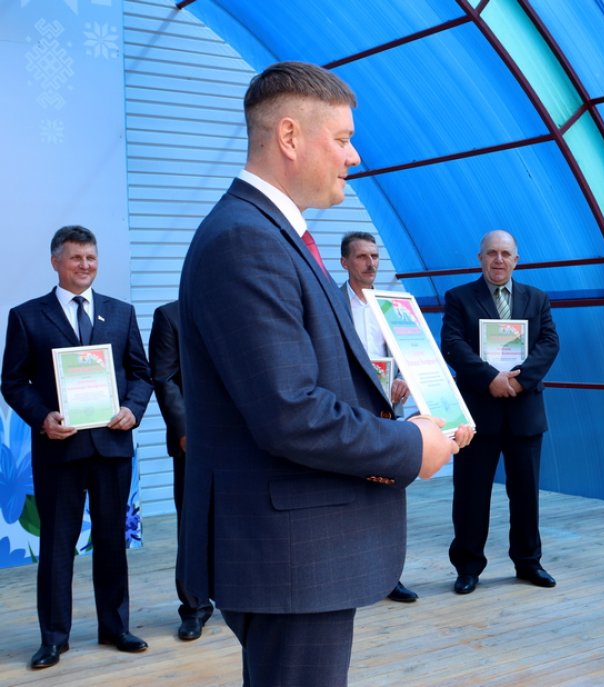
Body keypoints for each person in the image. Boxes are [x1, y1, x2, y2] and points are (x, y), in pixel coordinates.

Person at [176, 61, 471, 687]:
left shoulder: (266, 233)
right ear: (289, 136)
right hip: (289, 555)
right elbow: (290, 411)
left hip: (297, 550)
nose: (354, 155)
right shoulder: (246, 240)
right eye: (341, 139)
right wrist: (411, 444)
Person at [1, 225, 153, 669]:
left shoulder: (120, 313)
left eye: (91, 258)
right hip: (59, 449)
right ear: (56, 262)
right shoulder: (27, 316)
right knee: (56, 544)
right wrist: (42, 418)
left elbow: (141, 374)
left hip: (111, 446)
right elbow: (13, 381)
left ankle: (116, 627)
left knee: (111, 542)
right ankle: (53, 638)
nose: (85, 265)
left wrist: (133, 409)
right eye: (76, 258)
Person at [440, 230, 560, 595]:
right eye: (491, 253)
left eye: (505, 254)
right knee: (471, 494)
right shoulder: (459, 298)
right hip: (479, 414)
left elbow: (549, 342)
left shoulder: (537, 298)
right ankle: (468, 567)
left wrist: (519, 381)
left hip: (525, 412)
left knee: (526, 494)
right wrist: (490, 378)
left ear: (516, 260)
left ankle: (528, 562)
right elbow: (453, 344)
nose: (498, 260)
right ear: (480, 258)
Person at [339, 231, 418, 603]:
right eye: (361, 257)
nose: (370, 263)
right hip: (348, 414)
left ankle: (389, 577)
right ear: (345, 262)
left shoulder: (392, 305)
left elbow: (411, 351)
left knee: (388, 493)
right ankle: (349, 575)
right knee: (348, 494)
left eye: (374, 256)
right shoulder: (330, 304)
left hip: (387, 413)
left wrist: (405, 377)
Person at [149, 299, 215, 639]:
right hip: (194, 440)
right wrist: (184, 430)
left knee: (242, 521)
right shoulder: (170, 315)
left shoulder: (239, 307)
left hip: (243, 438)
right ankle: (194, 607)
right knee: (192, 523)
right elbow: (165, 379)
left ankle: (242, 597)